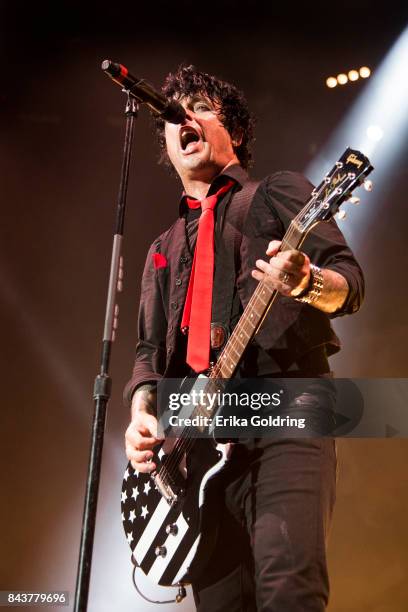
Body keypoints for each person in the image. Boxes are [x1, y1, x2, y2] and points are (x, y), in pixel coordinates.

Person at [123, 65, 364, 611]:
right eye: (174, 113)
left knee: (288, 591)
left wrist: (307, 282)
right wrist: (142, 411)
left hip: (287, 415)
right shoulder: (162, 247)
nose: (185, 119)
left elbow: (350, 283)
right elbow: (147, 353)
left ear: (232, 128)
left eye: (201, 107)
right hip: (198, 450)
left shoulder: (277, 192)